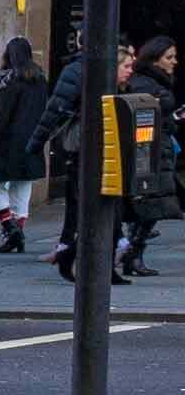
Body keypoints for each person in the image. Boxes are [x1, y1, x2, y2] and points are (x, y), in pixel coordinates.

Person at [34, 40, 137, 283]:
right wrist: (35, 143)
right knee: (100, 213)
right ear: (113, 67)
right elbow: (55, 110)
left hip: (108, 159)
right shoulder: (95, 92)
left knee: (107, 214)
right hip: (91, 158)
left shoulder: (120, 91)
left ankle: (76, 257)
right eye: (126, 66)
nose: (130, 70)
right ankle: (78, 258)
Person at [0, 36, 49, 254]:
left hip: (7, 141)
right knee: (22, 186)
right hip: (32, 140)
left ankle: (9, 226)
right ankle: (18, 232)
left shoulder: (9, 81)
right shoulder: (40, 80)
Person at [120, 37, 183, 278]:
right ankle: (131, 253)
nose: (174, 62)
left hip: (157, 149)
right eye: (169, 57)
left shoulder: (155, 82)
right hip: (149, 152)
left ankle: (132, 253)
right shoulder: (145, 83)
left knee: (150, 207)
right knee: (148, 207)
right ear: (154, 59)